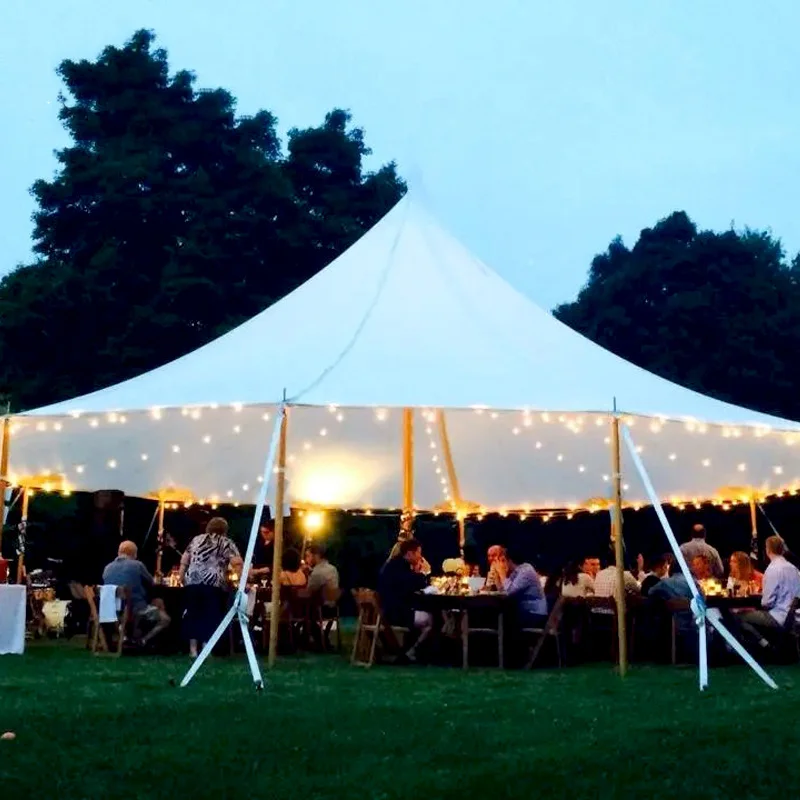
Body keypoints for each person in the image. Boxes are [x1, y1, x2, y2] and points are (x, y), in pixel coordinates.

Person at [180, 517, 241, 658]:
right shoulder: (225, 542)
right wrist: (242, 578)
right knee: (210, 614)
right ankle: (206, 647)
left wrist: (183, 577)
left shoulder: (196, 539)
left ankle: (192, 649)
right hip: (213, 582)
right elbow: (237, 563)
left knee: (193, 614)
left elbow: (184, 560)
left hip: (193, 581)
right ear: (225, 529)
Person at [102, 541, 170, 647]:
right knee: (165, 618)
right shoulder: (137, 565)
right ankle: (142, 640)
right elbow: (151, 582)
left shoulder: (107, 568)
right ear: (134, 554)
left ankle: (128, 636)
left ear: (119, 552)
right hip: (135, 610)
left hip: (111, 611)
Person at [737, 535, 800, 649]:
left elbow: (766, 603)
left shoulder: (772, 569)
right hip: (793, 616)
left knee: (739, 616)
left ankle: (765, 645)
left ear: (768, 550)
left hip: (777, 616)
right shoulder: (794, 569)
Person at [377, 538, 433, 662]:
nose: (420, 556)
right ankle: (412, 652)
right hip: (396, 613)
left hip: (390, 610)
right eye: (418, 552)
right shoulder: (399, 567)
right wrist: (422, 573)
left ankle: (411, 649)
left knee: (426, 615)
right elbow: (413, 584)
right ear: (409, 553)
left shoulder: (394, 565)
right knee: (431, 619)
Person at [493, 547, 548, 626]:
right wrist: (497, 577)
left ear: (509, 560)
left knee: (504, 617)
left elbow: (509, 592)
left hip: (535, 614)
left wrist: (502, 574)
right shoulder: (515, 572)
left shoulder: (526, 571)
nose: (500, 565)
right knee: (497, 615)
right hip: (526, 612)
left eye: (502, 561)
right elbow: (504, 592)